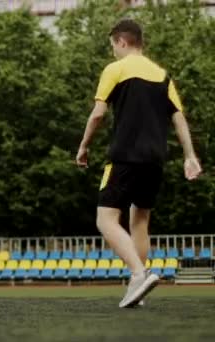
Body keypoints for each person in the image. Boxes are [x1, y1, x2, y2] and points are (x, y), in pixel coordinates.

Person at [75, 19, 202, 308]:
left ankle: (138, 274)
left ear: (121, 42)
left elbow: (97, 114)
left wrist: (83, 147)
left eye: (113, 47)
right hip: (155, 159)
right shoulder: (162, 75)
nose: (113, 53)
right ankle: (139, 290)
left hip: (124, 155)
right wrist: (190, 155)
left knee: (105, 219)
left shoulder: (115, 69)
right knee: (139, 220)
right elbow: (178, 117)